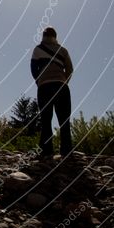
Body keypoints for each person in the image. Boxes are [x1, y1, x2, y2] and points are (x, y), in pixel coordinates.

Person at [30, 26, 74, 159]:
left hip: (44, 87)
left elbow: (33, 68)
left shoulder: (38, 49)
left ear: (43, 36)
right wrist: (63, 81)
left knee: (45, 120)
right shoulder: (63, 50)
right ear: (55, 36)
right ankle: (66, 152)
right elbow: (70, 69)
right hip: (61, 87)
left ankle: (46, 150)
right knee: (64, 120)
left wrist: (40, 81)